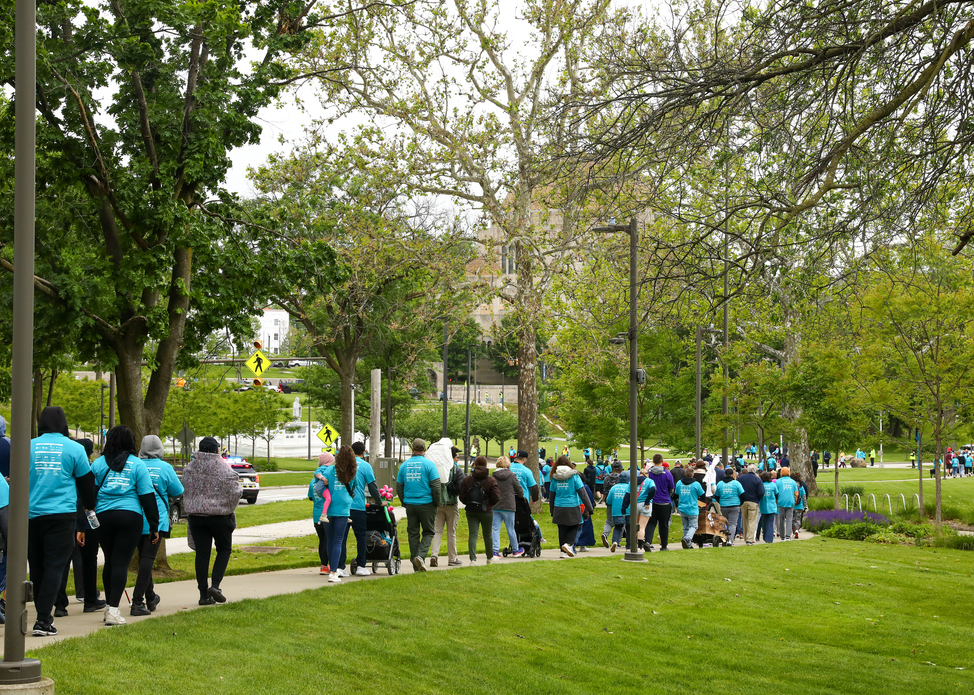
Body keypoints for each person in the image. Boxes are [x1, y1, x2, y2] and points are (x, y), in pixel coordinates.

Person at [28, 406, 96, 637]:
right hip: (61, 515)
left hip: (31, 515)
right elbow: (87, 484)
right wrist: (89, 507)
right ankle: (43, 620)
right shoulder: (75, 449)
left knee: (37, 567)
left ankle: (43, 613)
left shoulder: (27, 446)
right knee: (56, 566)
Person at [91, 425, 159, 626]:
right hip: (130, 517)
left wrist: (82, 523)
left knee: (110, 560)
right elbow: (147, 497)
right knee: (121, 563)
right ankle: (113, 610)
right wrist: (154, 526)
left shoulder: (98, 464)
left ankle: (108, 607)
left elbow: (90, 495)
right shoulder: (137, 465)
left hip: (103, 518)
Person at [182, 436, 242, 605]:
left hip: (196, 517)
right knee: (224, 549)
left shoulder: (189, 468)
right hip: (220, 517)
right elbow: (236, 491)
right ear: (217, 450)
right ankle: (215, 586)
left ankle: (203, 595)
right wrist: (228, 507)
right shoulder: (224, 469)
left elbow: (184, 488)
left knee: (202, 554)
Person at [130, 434, 183, 616]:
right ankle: (138, 601)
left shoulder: (135, 465)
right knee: (147, 560)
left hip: (137, 517)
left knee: (144, 558)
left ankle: (151, 596)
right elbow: (178, 490)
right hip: (157, 520)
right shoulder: (165, 468)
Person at [54, 438, 105, 618]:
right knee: (89, 558)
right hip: (83, 518)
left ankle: (60, 603)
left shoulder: (63, 467)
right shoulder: (87, 469)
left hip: (64, 516)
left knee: (62, 561)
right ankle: (89, 598)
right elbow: (87, 497)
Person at [396, 439, 441, 572]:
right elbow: (436, 486)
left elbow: (399, 486)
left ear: (412, 449)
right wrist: (436, 502)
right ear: (425, 450)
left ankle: (415, 565)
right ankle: (420, 557)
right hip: (426, 503)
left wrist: (404, 501)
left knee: (413, 533)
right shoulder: (429, 465)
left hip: (410, 504)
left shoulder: (404, 466)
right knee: (428, 532)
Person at [319, 446, 358, 583]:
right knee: (338, 541)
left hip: (328, 509)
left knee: (330, 541)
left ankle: (331, 569)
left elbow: (322, 484)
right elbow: (355, 487)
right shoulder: (352, 472)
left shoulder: (329, 470)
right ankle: (334, 572)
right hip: (343, 509)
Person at [346, 442, 381, 575]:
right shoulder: (365, 466)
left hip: (343, 507)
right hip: (358, 506)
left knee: (341, 537)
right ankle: (361, 565)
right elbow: (372, 487)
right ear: (363, 452)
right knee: (361, 536)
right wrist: (379, 501)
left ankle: (339, 567)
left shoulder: (344, 465)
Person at [458, 456, 500, 564]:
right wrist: (489, 504)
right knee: (488, 534)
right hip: (486, 510)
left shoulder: (467, 479)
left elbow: (462, 496)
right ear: (486, 465)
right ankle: (489, 557)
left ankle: (473, 559)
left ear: (475, 464)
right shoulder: (491, 480)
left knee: (473, 534)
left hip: (471, 510)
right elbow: (496, 496)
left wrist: (468, 502)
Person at [548, 456, 593, 557]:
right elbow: (583, 493)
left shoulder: (554, 477)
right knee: (575, 525)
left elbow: (551, 496)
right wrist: (590, 508)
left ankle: (562, 552)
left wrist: (552, 510)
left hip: (558, 506)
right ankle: (568, 544)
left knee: (562, 528)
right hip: (572, 505)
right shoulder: (574, 476)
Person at [429, 446, 464, 567]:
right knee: (451, 532)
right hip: (451, 504)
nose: (458, 459)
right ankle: (452, 558)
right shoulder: (457, 470)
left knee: (437, 531)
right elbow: (460, 488)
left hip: (438, 504)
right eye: (457, 457)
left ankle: (434, 555)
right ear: (452, 457)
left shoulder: (437, 469)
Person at [491, 457, 526, 558]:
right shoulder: (511, 475)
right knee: (510, 528)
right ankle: (515, 550)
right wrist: (520, 495)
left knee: (495, 529)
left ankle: (495, 551)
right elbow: (519, 490)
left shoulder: (494, 475)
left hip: (496, 505)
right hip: (508, 505)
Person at [308, 451, 334, 574]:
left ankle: (323, 565)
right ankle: (326, 565)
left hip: (316, 515)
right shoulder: (328, 480)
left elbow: (310, 497)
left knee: (322, 540)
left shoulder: (312, 482)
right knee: (328, 541)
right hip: (327, 515)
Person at [645, 455, 674, 551]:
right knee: (664, 524)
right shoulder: (667, 474)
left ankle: (648, 542)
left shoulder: (649, 474)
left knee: (650, 523)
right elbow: (671, 489)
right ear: (662, 461)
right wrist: (667, 496)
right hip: (664, 502)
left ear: (653, 461)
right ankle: (664, 545)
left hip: (652, 502)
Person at [675, 470, 706, 549]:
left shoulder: (679, 483)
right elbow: (703, 496)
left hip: (682, 507)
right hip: (692, 508)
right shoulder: (696, 484)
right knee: (694, 526)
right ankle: (687, 538)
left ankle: (687, 545)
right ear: (693, 475)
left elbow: (675, 495)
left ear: (685, 474)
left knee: (686, 526)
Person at [714, 467, 744, 546]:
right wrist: (740, 503)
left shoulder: (720, 484)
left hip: (724, 505)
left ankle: (724, 539)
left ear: (725, 474)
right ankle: (730, 540)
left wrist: (721, 501)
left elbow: (716, 495)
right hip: (735, 505)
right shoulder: (736, 483)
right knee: (732, 524)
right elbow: (742, 494)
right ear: (733, 474)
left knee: (724, 523)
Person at [604, 472, 631, 552]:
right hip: (628, 511)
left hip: (616, 511)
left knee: (618, 527)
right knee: (629, 528)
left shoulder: (613, 488)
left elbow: (608, 501)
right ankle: (629, 546)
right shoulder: (629, 487)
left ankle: (615, 541)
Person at [737, 464, 763, 545]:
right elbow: (761, 492)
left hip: (743, 502)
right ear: (755, 471)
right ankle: (749, 539)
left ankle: (745, 537)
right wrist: (757, 498)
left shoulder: (741, 478)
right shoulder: (757, 479)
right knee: (752, 521)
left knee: (744, 520)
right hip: (753, 501)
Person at [775, 466, 798, 542]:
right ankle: (788, 536)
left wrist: (776, 501)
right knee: (789, 519)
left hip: (781, 502)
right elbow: (796, 493)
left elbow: (776, 493)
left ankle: (782, 536)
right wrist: (794, 501)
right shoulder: (793, 482)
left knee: (781, 519)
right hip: (790, 502)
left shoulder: (778, 482)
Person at [759, 471, 779, 543]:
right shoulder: (773, 485)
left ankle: (765, 536)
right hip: (772, 506)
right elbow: (777, 494)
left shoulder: (761, 485)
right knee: (770, 523)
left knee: (764, 523)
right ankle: (769, 539)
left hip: (763, 506)